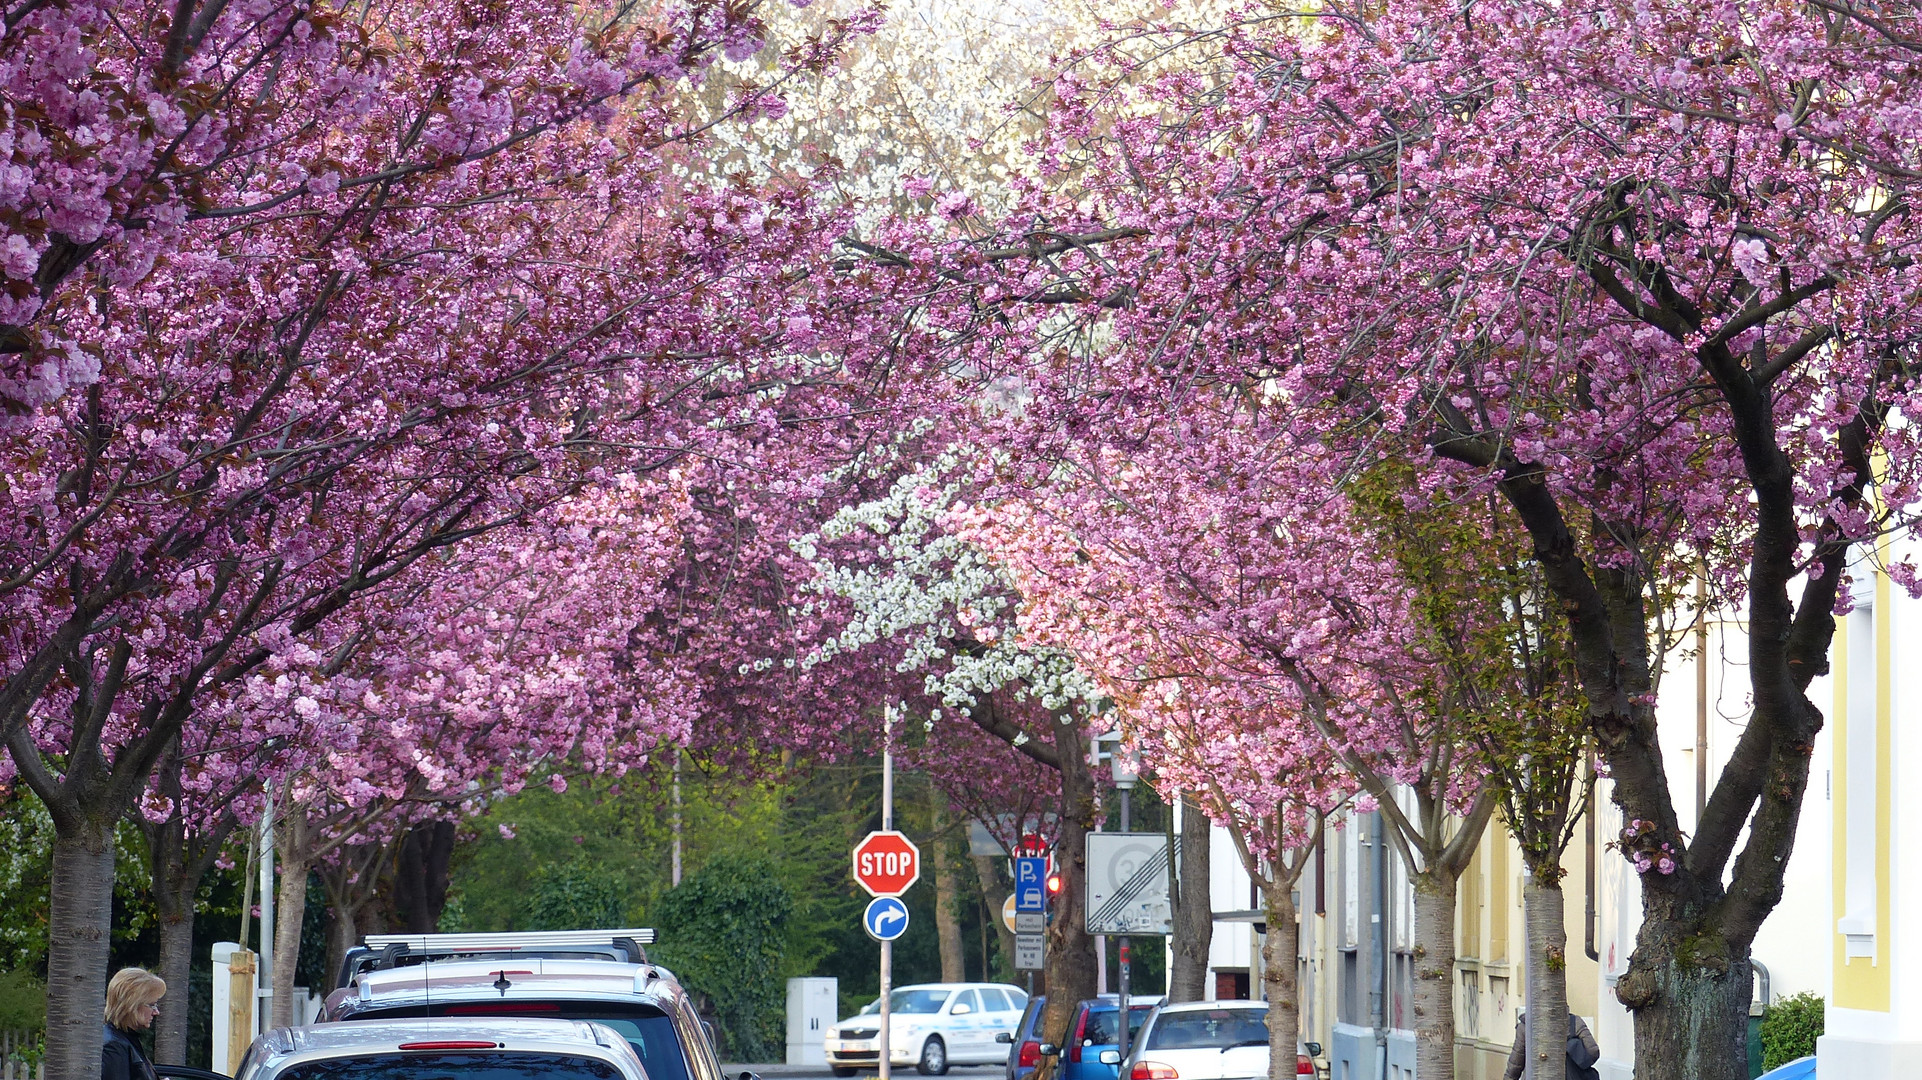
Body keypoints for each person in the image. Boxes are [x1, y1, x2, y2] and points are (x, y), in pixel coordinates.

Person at [102, 967, 166, 1080]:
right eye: (152, 1005)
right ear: (132, 1005)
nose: (156, 1012)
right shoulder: (115, 1045)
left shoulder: (125, 1040)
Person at [1502, 1009, 1601, 1080]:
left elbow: (1515, 1065)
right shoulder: (1574, 1022)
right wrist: (1573, 1050)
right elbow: (1593, 1052)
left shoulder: (1526, 1026)